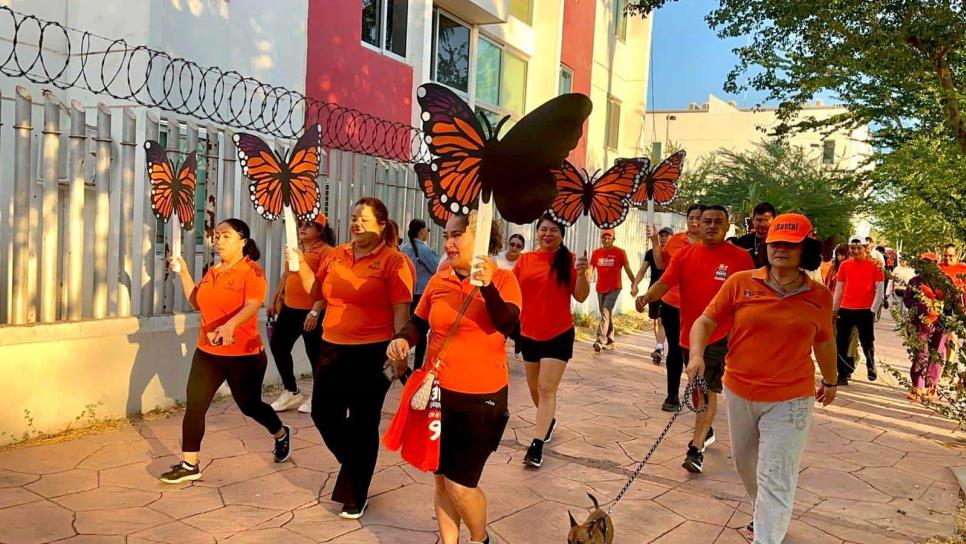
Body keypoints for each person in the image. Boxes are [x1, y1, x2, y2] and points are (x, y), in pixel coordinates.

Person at [687, 213, 837, 544]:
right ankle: (762, 512)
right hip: (739, 390)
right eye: (775, 243)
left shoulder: (819, 296)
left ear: (805, 250)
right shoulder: (740, 283)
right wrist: (696, 355)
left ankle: (766, 536)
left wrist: (831, 379)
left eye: (790, 243)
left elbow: (824, 341)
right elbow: (704, 322)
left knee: (776, 476)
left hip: (792, 398)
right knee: (746, 464)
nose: (780, 249)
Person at [387, 212, 520, 544]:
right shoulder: (439, 279)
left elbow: (507, 324)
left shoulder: (504, 281)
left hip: (481, 400)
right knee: (441, 479)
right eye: (446, 234)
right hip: (438, 395)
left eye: (457, 235)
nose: (448, 242)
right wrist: (403, 339)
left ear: (483, 237)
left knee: (461, 485)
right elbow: (418, 323)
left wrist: (486, 285)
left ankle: (479, 539)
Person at [294, 197, 414, 519]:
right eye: (353, 218)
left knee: (363, 422)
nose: (356, 224)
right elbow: (317, 294)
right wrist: (300, 265)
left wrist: (401, 350)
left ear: (381, 225)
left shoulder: (395, 262)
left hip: (372, 352)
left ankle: (355, 492)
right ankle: (357, 467)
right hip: (331, 346)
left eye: (363, 219)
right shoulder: (336, 255)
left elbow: (401, 311)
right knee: (323, 413)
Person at [160, 219, 290, 483]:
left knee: (250, 406)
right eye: (216, 236)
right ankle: (189, 464)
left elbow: (253, 305)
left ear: (243, 241)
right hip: (208, 352)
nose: (218, 240)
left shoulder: (252, 272)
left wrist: (231, 325)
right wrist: (183, 271)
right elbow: (197, 300)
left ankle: (280, 432)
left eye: (226, 236)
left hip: (244, 355)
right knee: (195, 406)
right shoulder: (213, 270)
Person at [635, 205, 754, 473]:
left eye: (717, 221)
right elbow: (665, 282)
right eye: (706, 221)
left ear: (727, 225)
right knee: (699, 391)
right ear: (698, 224)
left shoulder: (740, 259)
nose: (711, 225)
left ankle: (695, 447)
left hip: (721, 335)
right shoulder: (685, 255)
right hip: (690, 335)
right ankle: (706, 428)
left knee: (706, 388)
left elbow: (749, 297)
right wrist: (647, 297)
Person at [514, 214, 591, 468]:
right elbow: (510, 290)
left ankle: (536, 444)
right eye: (543, 229)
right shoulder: (525, 260)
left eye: (554, 230)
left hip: (558, 334)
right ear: (537, 233)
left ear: (561, 235)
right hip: (528, 334)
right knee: (534, 388)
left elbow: (580, 296)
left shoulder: (569, 261)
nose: (548, 234)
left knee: (547, 389)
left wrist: (582, 274)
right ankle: (547, 421)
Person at [267, 212, 335, 413]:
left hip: (311, 312)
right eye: (301, 225)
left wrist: (315, 312)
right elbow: (287, 274)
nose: (303, 228)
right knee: (278, 346)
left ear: (320, 230)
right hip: (290, 309)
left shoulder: (327, 252)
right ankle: (291, 390)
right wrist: (275, 298)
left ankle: (319, 395)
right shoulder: (297, 250)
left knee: (315, 355)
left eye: (309, 225)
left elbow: (326, 284)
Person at [655, 204, 704, 412]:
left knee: (696, 352)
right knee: (674, 349)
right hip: (672, 303)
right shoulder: (676, 241)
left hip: (700, 308)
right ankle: (672, 395)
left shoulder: (711, 244)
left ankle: (700, 398)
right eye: (691, 217)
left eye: (698, 218)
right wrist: (653, 241)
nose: (694, 222)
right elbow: (660, 265)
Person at [833, 235, 885, 385]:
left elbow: (879, 289)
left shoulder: (876, 266)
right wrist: (834, 309)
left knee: (867, 341)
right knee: (841, 342)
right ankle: (842, 374)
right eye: (852, 248)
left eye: (858, 248)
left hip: (865, 310)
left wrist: (873, 310)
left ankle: (870, 365)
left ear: (866, 248)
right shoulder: (844, 266)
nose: (855, 251)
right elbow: (839, 288)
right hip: (846, 308)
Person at [904, 252, 948, 402]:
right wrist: (922, 307)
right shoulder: (914, 282)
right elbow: (907, 301)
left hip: (940, 323)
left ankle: (931, 386)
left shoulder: (943, 282)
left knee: (937, 354)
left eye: (931, 263)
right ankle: (917, 386)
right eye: (924, 263)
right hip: (920, 323)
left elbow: (952, 301)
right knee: (920, 354)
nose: (927, 266)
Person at [401, 219, 441, 370]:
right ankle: (418, 366)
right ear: (421, 231)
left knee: (405, 328)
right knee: (421, 331)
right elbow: (437, 269)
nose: (428, 233)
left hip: (407, 294)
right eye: (427, 230)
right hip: (421, 296)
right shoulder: (425, 251)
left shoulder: (404, 249)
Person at [631, 226, 673, 363]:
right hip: (653, 291)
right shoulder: (650, 253)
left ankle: (659, 347)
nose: (663, 238)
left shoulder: (674, 253)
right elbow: (642, 270)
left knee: (662, 320)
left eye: (666, 236)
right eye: (661, 236)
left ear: (672, 237)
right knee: (655, 320)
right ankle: (659, 346)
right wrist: (635, 284)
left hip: (669, 291)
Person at [589, 229, 635, 352]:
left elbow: (628, 269)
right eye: (604, 237)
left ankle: (600, 340)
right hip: (600, 288)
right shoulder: (596, 253)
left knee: (605, 311)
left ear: (613, 239)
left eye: (609, 237)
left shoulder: (620, 253)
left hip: (615, 288)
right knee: (606, 314)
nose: (606, 240)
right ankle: (610, 340)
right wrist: (585, 281)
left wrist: (634, 284)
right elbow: (590, 269)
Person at [734, 202, 776, 267]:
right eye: (759, 220)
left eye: (766, 220)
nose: (762, 224)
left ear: (774, 220)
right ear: (753, 220)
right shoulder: (742, 241)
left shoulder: (778, 243)